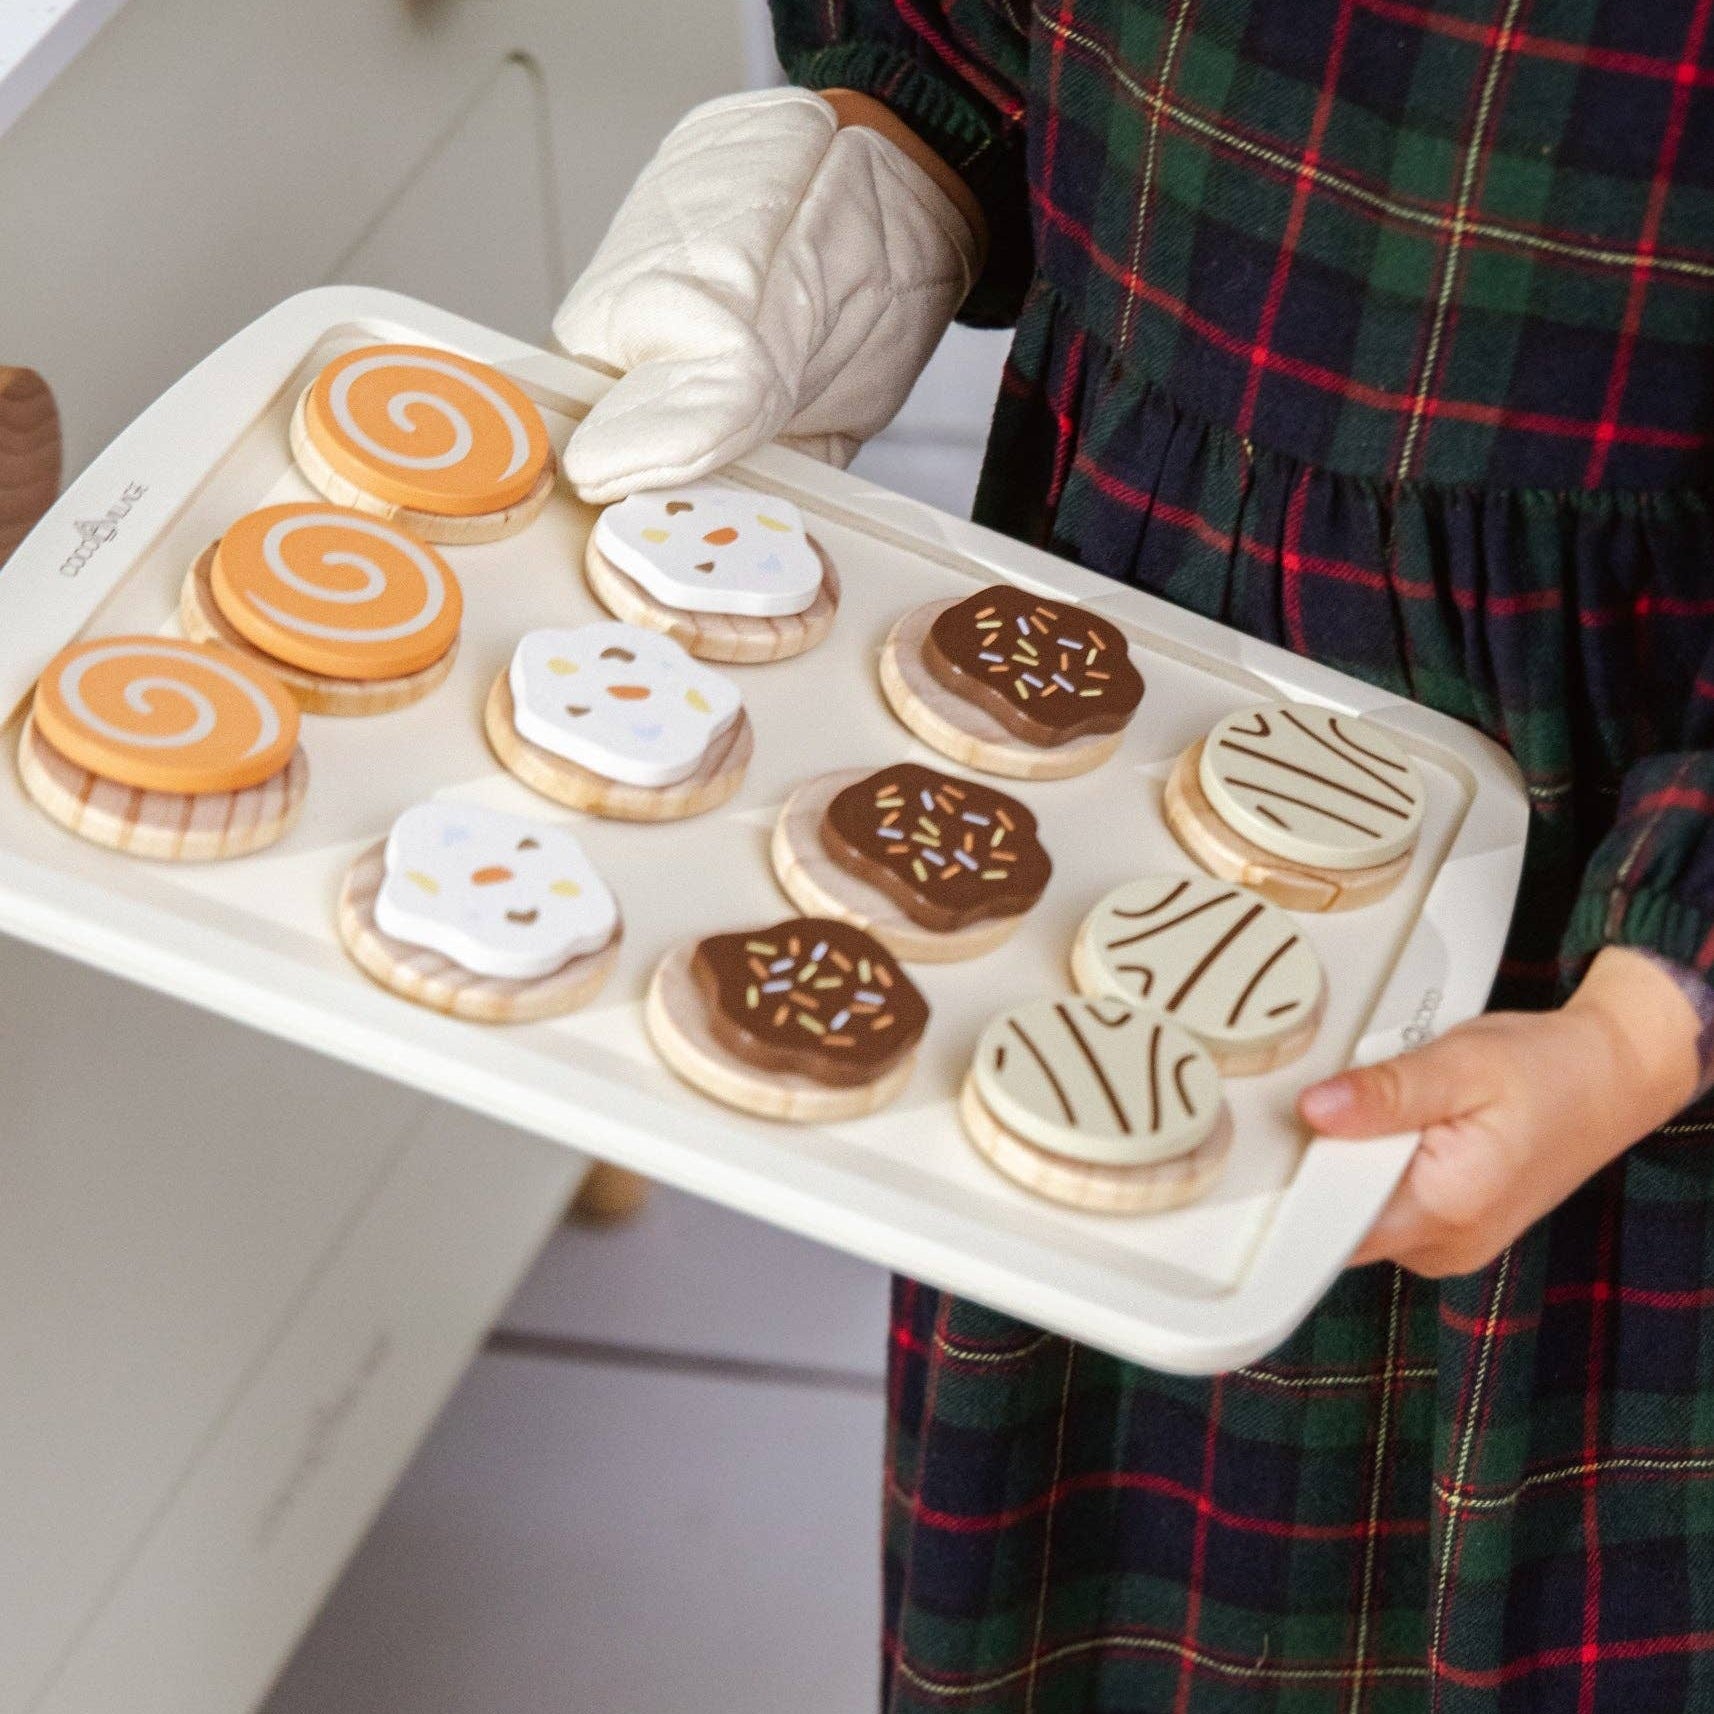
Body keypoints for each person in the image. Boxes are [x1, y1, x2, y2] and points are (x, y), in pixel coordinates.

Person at [555, 4, 1714, 1708]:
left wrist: (1640, 1021)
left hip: (1605, 885)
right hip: (1127, 652)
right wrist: (828, 213)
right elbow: (968, 44)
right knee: (1096, 1527)